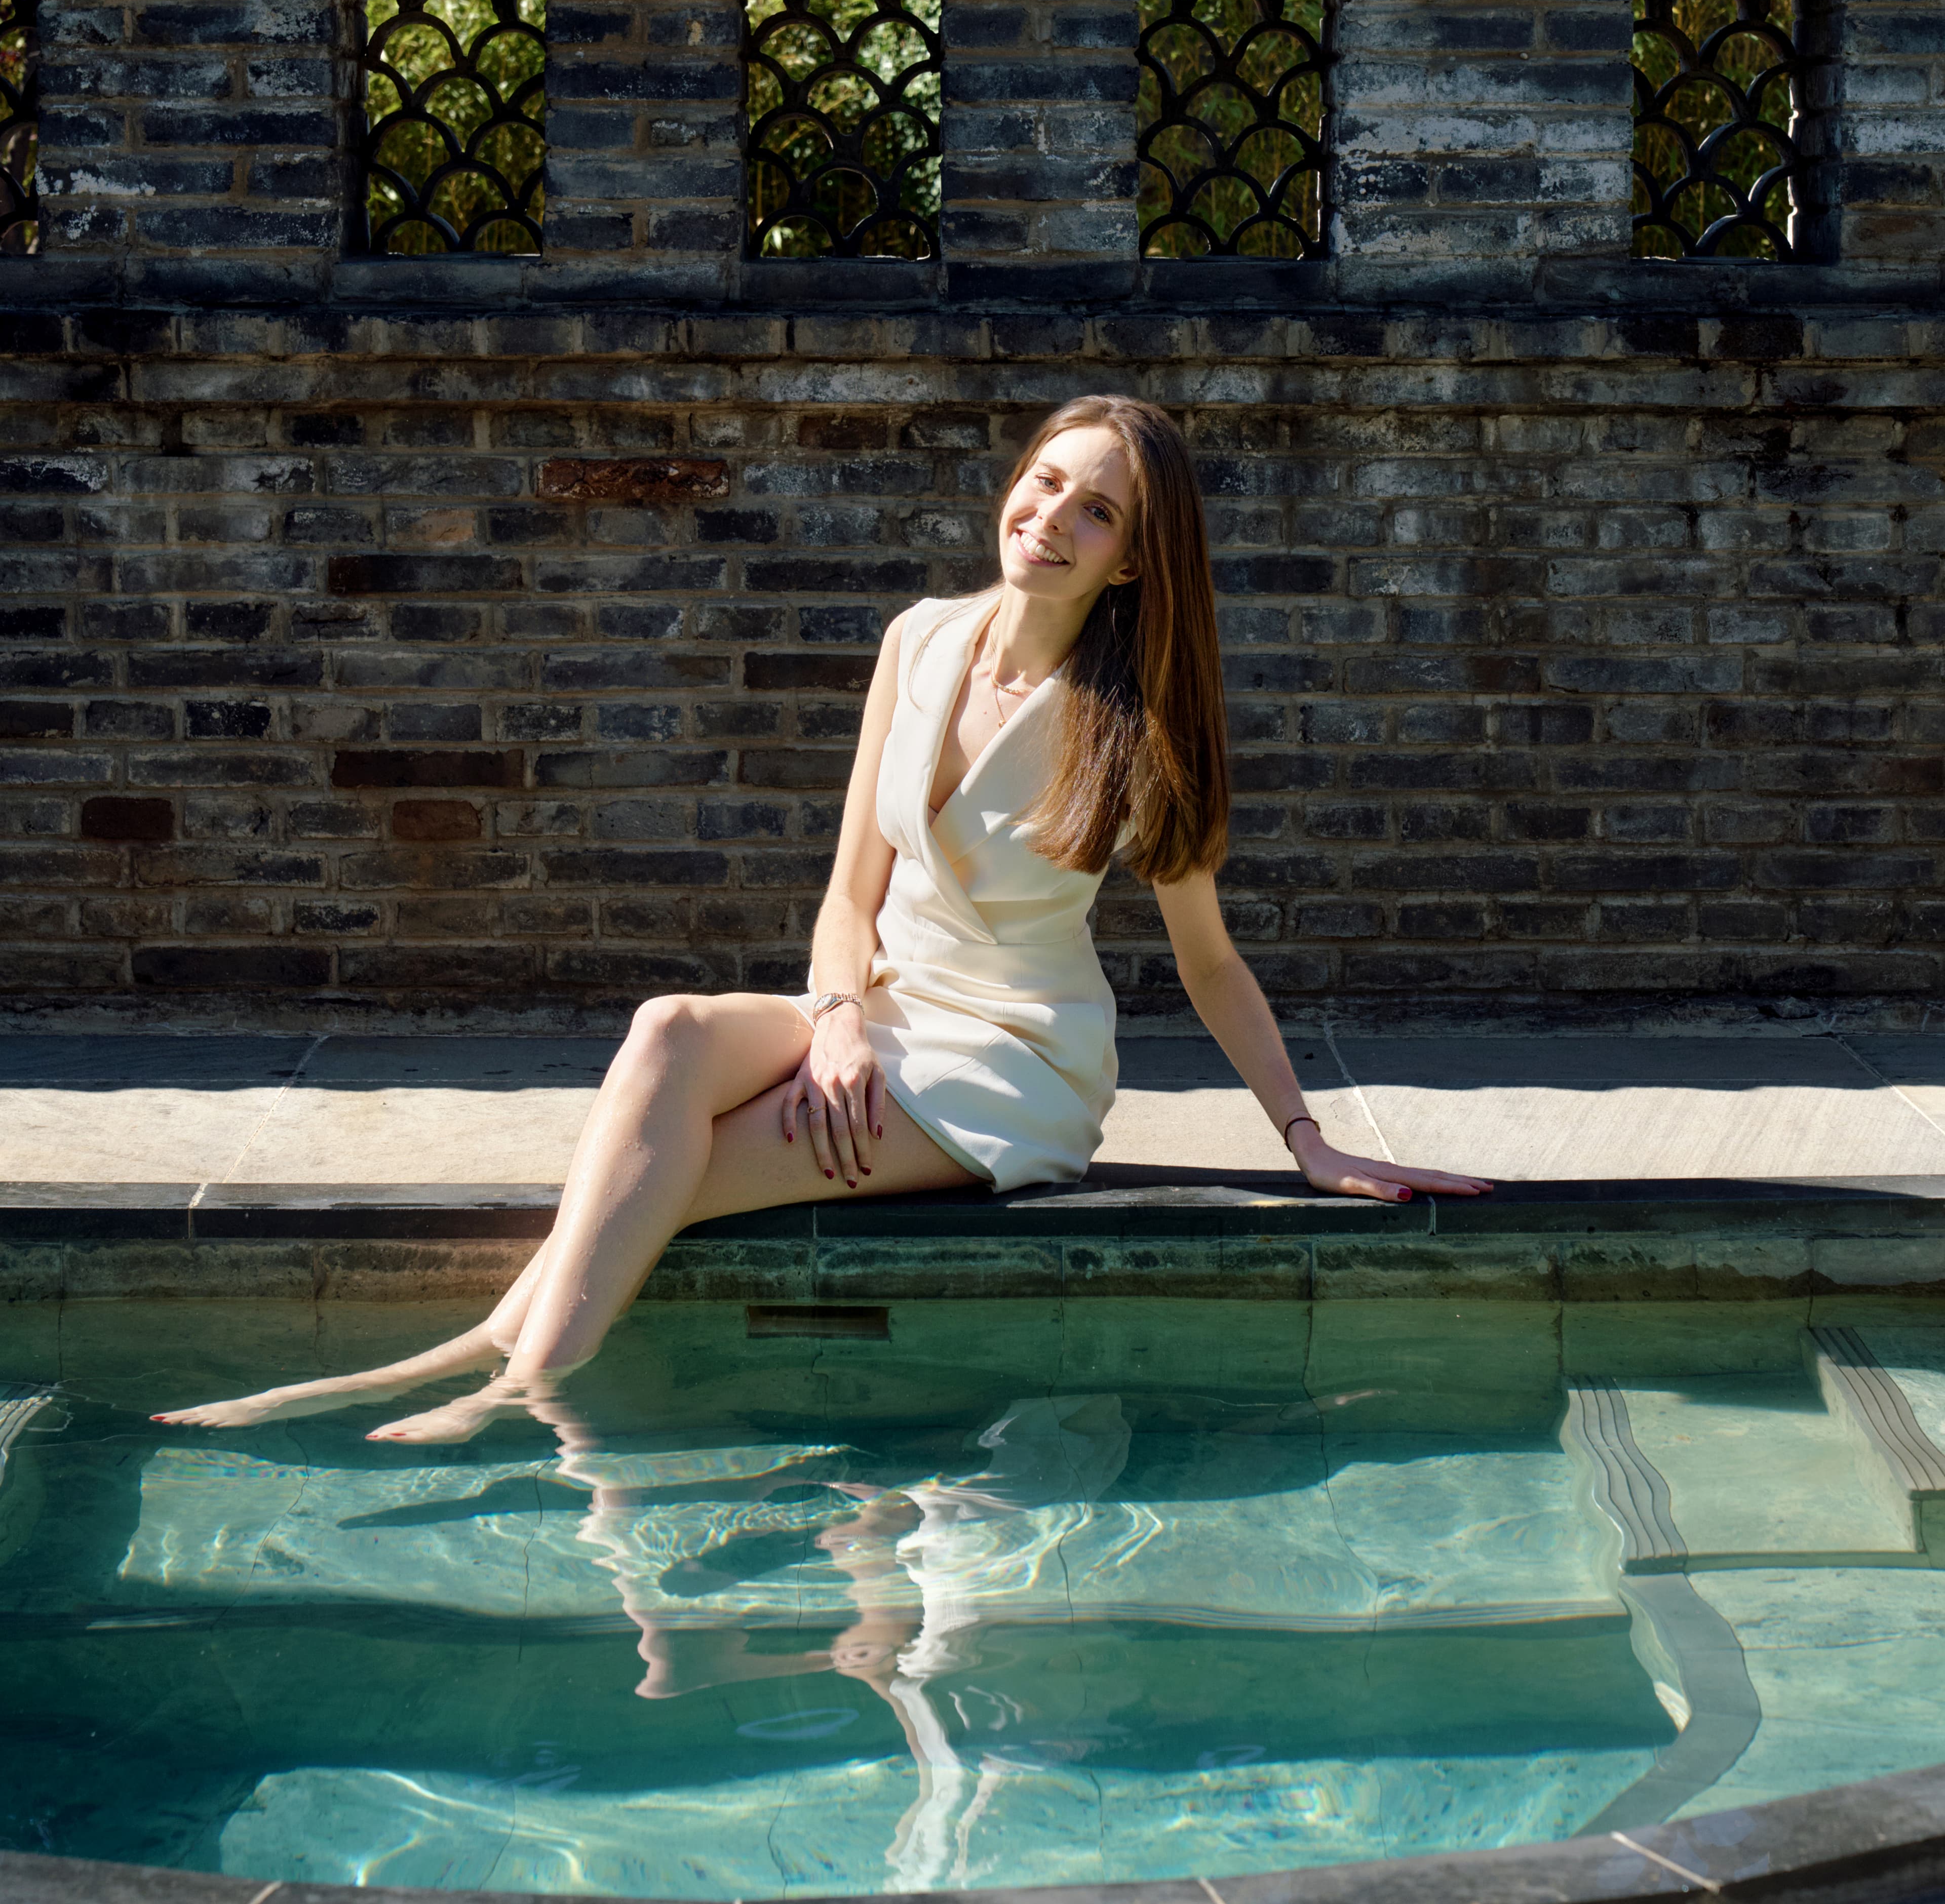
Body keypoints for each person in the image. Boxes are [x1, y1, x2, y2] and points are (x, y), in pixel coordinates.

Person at [157, 395, 1485, 1444]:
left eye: (1095, 512)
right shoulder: (918, 641)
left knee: (668, 1181)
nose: (1050, 516)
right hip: (882, 1010)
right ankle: (481, 1368)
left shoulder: (1139, 724)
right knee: (668, 1031)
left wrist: (1307, 1137)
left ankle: (507, 1386)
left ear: (1133, 561)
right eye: (1044, 482)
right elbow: (850, 895)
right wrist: (838, 1022)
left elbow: (1210, 961)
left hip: (1009, 1065)